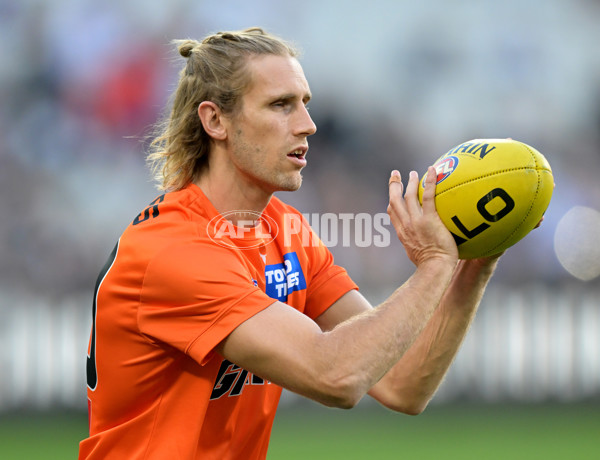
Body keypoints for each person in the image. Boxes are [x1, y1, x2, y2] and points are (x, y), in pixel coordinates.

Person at [78, 27, 502, 460]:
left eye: (305, 104)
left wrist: (473, 264)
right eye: (281, 105)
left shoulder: (287, 230)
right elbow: (336, 375)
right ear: (215, 120)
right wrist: (432, 266)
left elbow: (402, 384)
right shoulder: (172, 250)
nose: (308, 125)